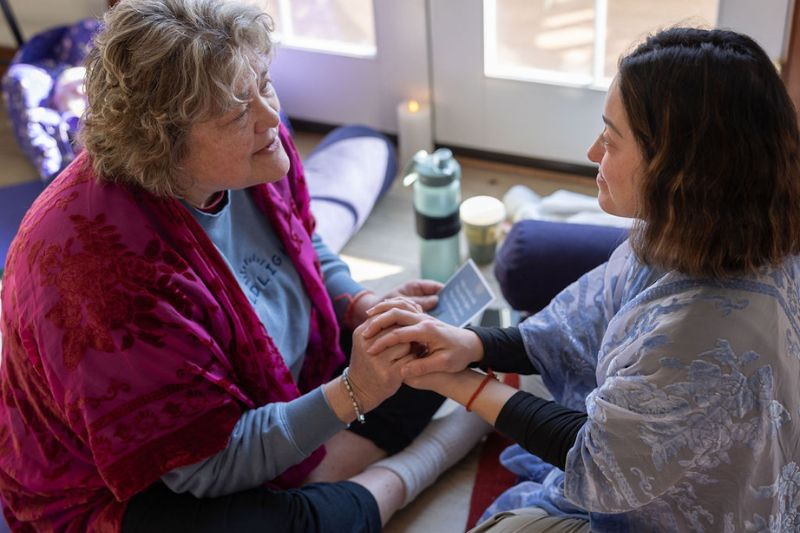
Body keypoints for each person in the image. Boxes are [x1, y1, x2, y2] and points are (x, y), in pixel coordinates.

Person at [0, 0, 490, 531]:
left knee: (449, 335)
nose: (271, 117)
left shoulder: (257, 150)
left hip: (279, 386)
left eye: (264, 82)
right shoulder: (106, 282)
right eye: (236, 112)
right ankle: (404, 473)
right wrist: (356, 393)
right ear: (162, 146)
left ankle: (330, 479)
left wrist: (360, 302)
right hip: (148, 483)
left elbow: (305, 244)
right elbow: (203, 469)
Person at [362, 27, 800, 532]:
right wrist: (467, 344)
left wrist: (456, 382)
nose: (592, 152)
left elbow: (600, 464)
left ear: (677, 171)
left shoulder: (702, 331)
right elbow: (572, 330)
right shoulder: (695, 227)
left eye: (611, 140)